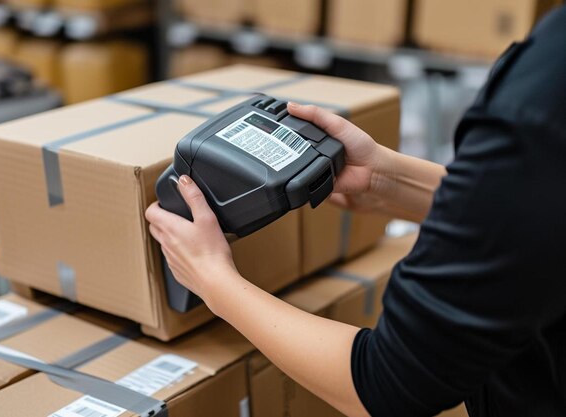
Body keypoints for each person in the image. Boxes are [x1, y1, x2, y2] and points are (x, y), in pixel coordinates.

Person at [145, 6, 566, 417]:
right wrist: (386, 180)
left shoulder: (539, 102)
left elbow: (388, 382)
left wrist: (214, 281)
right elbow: (536, 216)